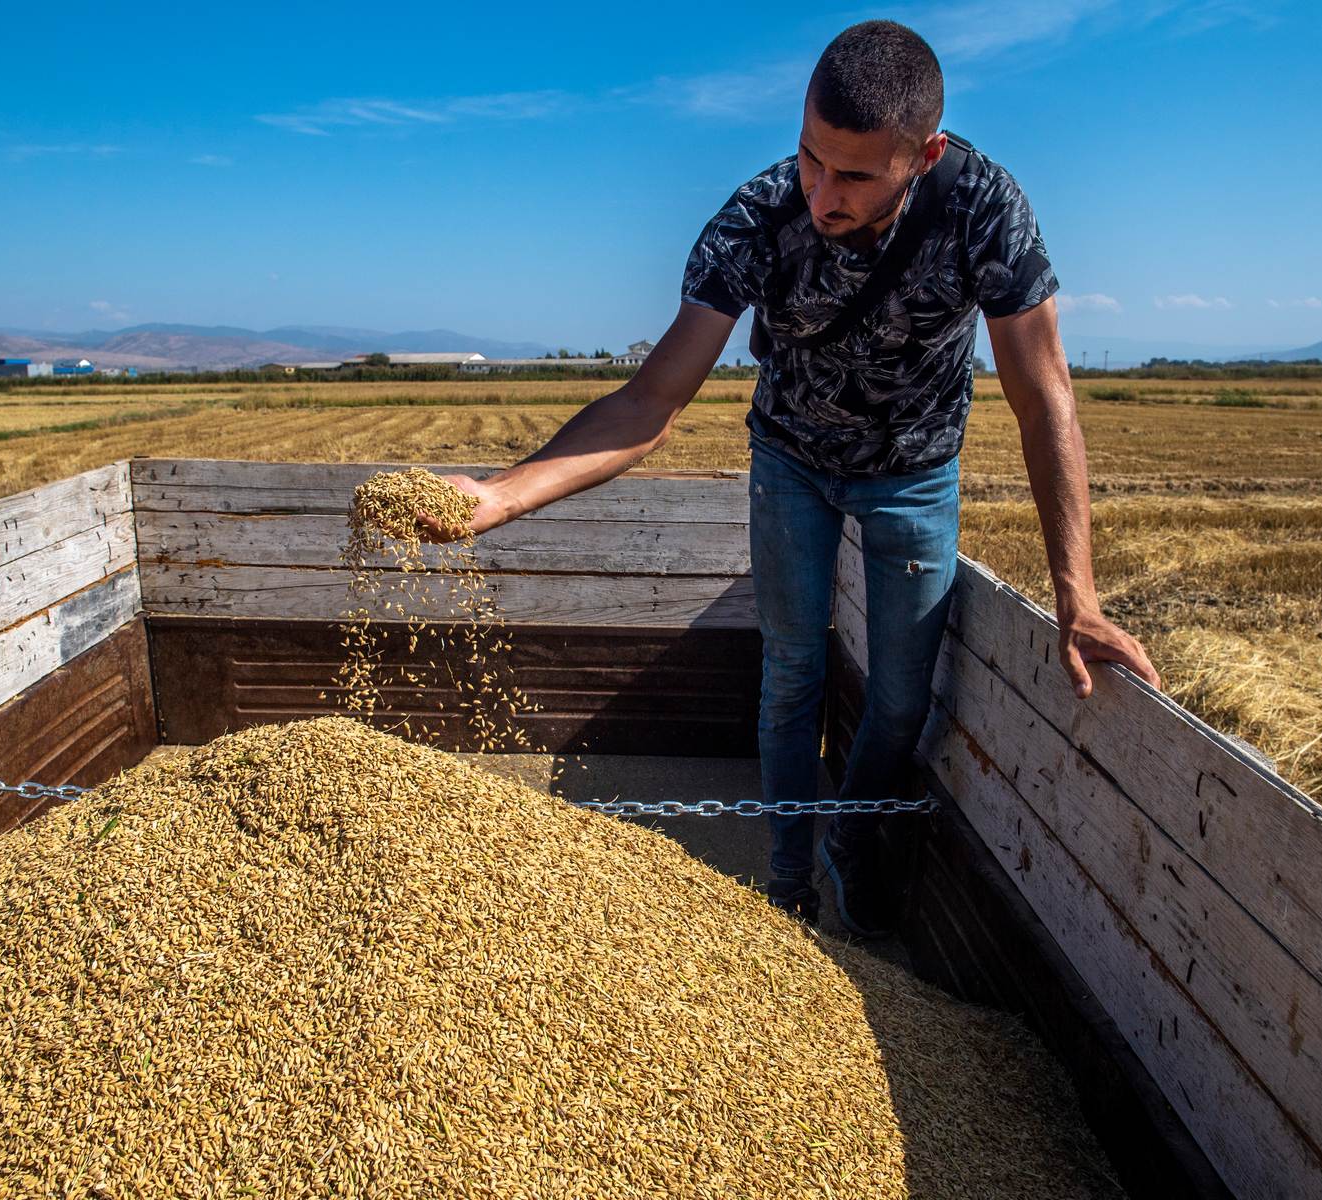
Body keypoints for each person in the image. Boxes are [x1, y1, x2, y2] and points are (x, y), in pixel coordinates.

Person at [421, 20, 1160, 936]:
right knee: (790, 673)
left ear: (922, 155)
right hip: (789, 460)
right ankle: (785, 885)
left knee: (897, 701)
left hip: (913, 474)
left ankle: (849, 841)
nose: (822, 193)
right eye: (811, 158)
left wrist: (1076, 598)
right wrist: (498, 495)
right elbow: (652, 401)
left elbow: (1043, 395)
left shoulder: (984, 211)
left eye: (854, 174)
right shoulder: (756, 216)